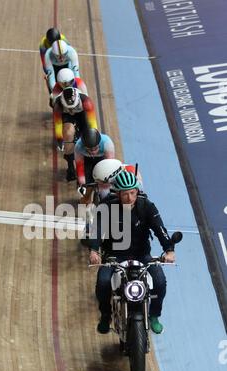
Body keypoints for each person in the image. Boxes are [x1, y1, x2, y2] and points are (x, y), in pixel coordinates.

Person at [88, 170, 176, 335]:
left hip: (142, 255)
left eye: (132, 193)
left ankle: (154, 315)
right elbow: (97, 229)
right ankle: (106, 315)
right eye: (125, 194)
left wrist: (169, 250)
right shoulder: (106, 206)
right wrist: (94, 250)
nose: (129, 198)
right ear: (118, 193)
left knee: (160, 281)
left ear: (137, 191)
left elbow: (160, 229)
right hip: (114, 254)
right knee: (103, 282)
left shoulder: (147, 206)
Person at [54, 88, 97, 181]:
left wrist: (93, 137)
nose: (72, 110)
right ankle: (70, 165)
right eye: (69, 108)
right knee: (68, 133)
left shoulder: (86, 102)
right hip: (67, 116)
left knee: (89, 134)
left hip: (82, 114)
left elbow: (93, 123)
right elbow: (58, 124)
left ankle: (91, 162)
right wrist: (59, 139)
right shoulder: (58, 104)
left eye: (74, 107)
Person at [74, 128, 115, 204]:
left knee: (105, 186)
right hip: (87, 160)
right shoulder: (78, 147)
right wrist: (83, 183)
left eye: (95, 148)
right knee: (87, 191)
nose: (93, 152)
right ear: (84, 146)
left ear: (99, 144)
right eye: (90, 149)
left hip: (102, 159)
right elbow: (80, 167)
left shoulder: (107, 143)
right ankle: (87, 199)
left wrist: (105, 181)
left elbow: (110, 165)